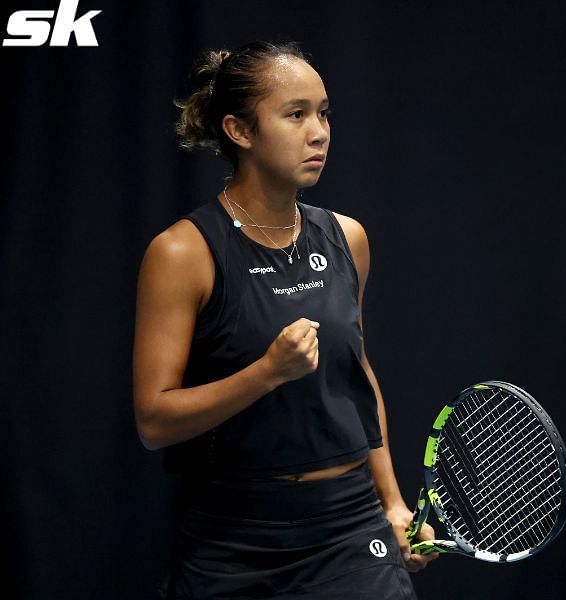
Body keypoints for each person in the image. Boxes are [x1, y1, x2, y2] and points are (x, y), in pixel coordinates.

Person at [132, 42, 434, 598]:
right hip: (234, 539)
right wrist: (267, 372)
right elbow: (154, 421)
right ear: (239, 131)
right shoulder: (182, 253)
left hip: (350, 529)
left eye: (323, 113)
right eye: (295, 115)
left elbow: (356, 374)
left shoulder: (348, 238)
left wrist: (392, 503)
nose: (318, 131)